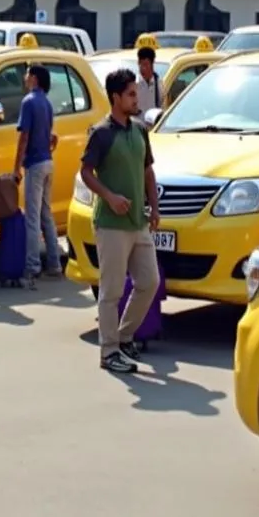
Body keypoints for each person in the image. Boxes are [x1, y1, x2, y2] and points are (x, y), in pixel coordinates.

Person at [80, 67, 160, 375]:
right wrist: (109, 197)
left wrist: (155, 208)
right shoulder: (101, 133)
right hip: (111, 225)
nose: (135, 98)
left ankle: (124, 337)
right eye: (130, 94)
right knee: (111, 290)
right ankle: (108, 350)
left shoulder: (139, 130)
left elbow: (148, 171)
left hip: (138, 224)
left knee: (149, 282)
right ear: (115, 98)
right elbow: (87, 173)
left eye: (135, 93)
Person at [13, 63, 61, 288]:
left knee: (32, 218)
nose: (24, 77)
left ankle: (32, 268)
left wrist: (16, 167)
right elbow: (50, 134)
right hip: (48, 162)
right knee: (46, 214)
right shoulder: (47, 103)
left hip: (34, 164)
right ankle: (54, 263)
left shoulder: (28, 102)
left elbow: (24, 137)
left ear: (34, 78)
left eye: (27, 73)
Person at [136, 45, 163, 116]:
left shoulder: (159, 84)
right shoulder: (134, 84)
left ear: (152, 64)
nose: (143, 68)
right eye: (141, 64)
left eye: (146, 65)